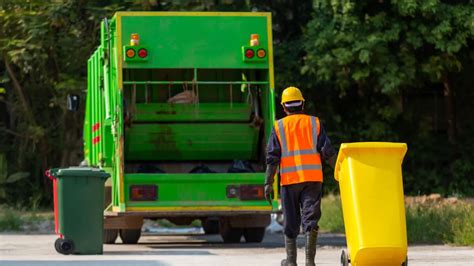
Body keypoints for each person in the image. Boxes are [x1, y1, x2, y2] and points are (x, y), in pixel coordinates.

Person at [264, 86, 336, 266]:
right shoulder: (315, 123)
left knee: (291, 219)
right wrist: (339, 171)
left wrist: (268, 183)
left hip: (289, 181)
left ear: (284, 107)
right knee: (310, 217)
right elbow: (327, 151)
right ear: (302, 103)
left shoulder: (278, 126)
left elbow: (272, 158)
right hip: (312, 179)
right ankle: (310, 262)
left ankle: (290, 261)